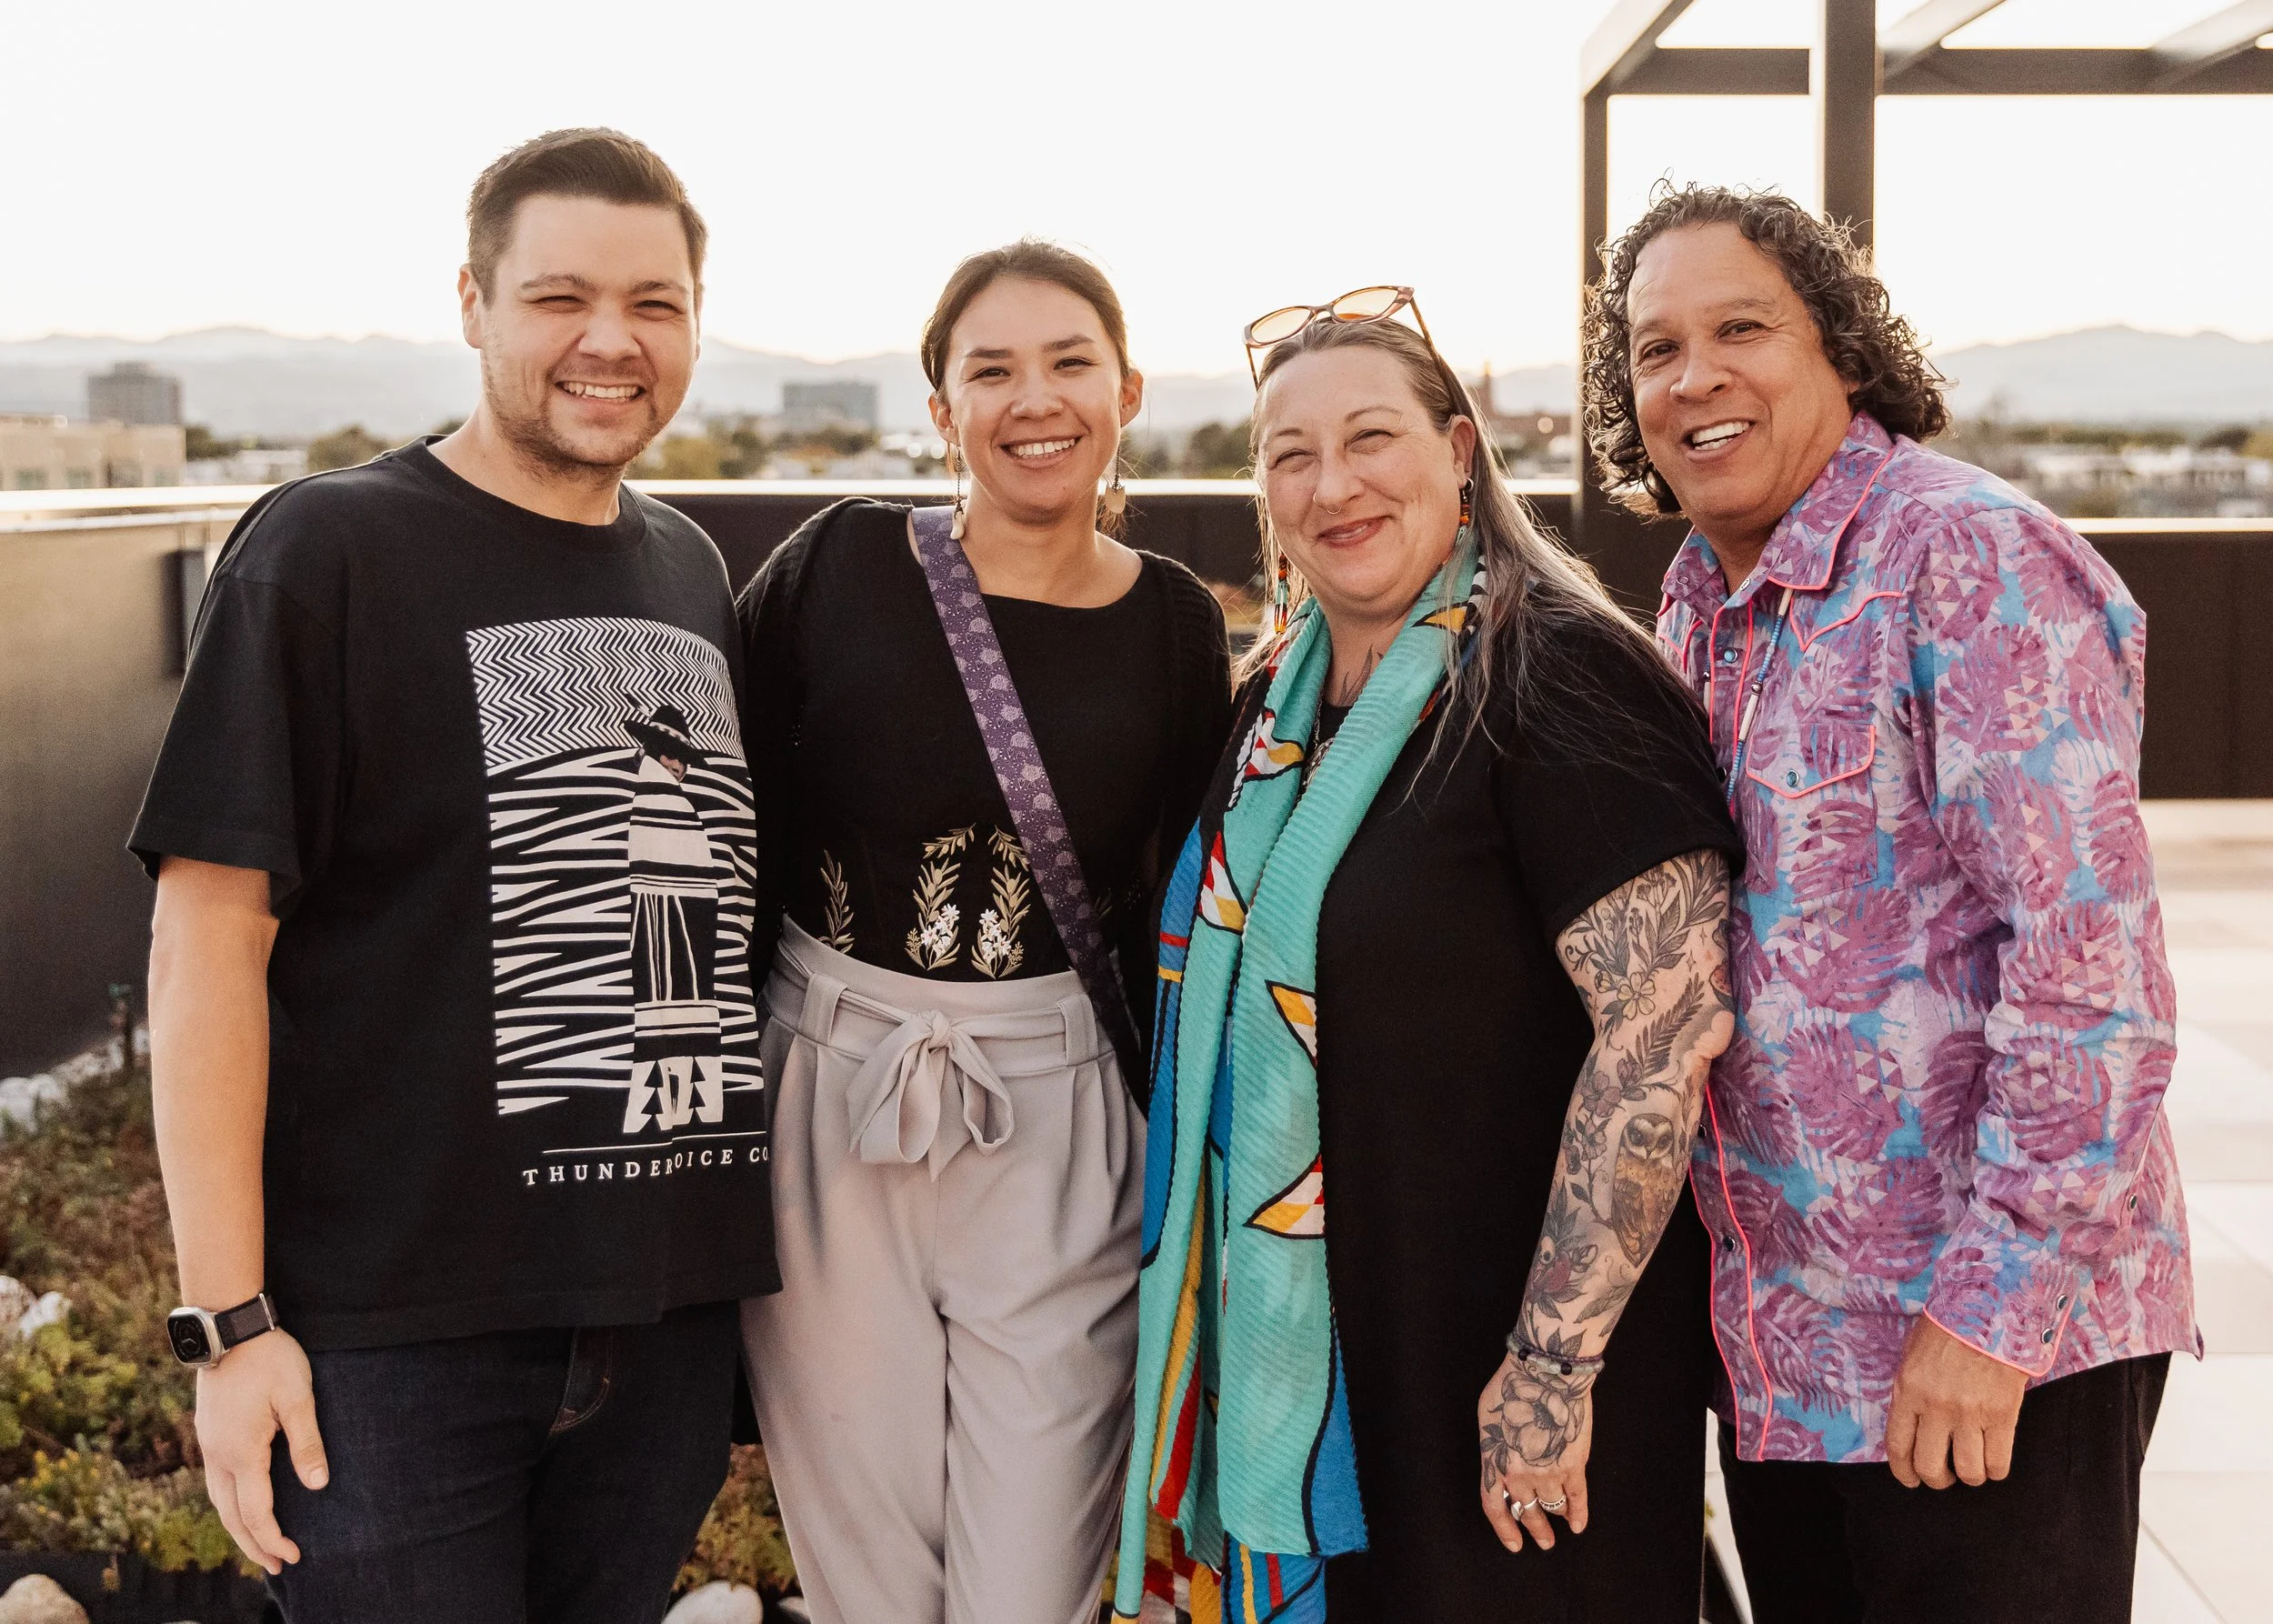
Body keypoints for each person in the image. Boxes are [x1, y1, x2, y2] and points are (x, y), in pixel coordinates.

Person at [133, 128, 776, 1624]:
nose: (610, 340)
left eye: (656, 302)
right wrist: (230, 1329)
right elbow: (207, 944)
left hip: (656, 1332)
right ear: (474, 302)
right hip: (390, 1352)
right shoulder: (328, 550)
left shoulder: (690, 571)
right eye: (560, 296)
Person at [1581, 184, 2199, 1622]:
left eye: (1742, 327)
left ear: (1844, 351)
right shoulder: (1698, 599)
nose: (1694, 377)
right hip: (1792, 1355)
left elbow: (2091, 973)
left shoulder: (1967, 559)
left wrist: (1989, 1318)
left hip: (1978, 1348)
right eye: (1655, 349)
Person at [1114, 293, 1743, 1624]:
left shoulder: (1558, 679)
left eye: (1369, 437)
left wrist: (1549, 1370)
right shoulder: (1274, 717)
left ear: (1458, 450)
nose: (1332, 483)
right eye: (1290, 452)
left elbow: (1663, 1033)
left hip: (1510, 1385)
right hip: (1327, 1374)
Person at [736, 240, 1231, 1624]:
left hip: (1061, 1108)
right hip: (834, 1089)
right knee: (870, 1577)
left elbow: (1189, 896)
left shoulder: (1178, 625)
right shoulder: (838, 564)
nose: (1037, 398)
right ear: (941, 410)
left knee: (1037, 1584)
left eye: (1070, 361)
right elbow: (726, 810)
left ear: (1127, 386)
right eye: (991, 370)